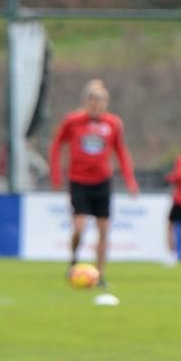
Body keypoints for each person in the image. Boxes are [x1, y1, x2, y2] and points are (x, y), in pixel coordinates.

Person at [49, 78, 139, 287]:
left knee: (104, 229)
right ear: (86, 102)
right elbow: (56, 146)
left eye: (100, 101)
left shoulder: (113, 124)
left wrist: (130, 179)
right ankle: (74, 260)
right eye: (92, 101)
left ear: (106, 103)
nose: (96, 105)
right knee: (79, 227)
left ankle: (99, 275)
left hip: (102, 182)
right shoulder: (72, 121)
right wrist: (55, 174)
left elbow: (121, 152)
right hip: (79, 181)